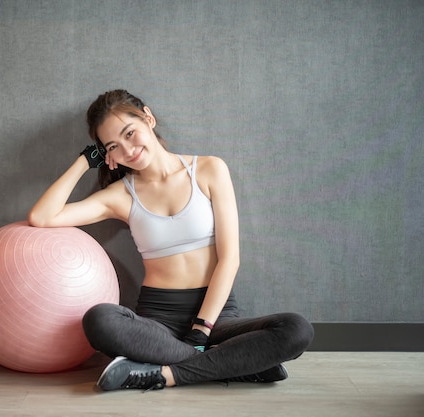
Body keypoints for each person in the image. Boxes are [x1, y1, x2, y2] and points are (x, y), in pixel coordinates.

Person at [28, 89, 314, 391]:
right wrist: (85, 162)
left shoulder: (209, 169)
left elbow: (230, 260)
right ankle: (236, 364)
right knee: (99, 320)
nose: (128, 149)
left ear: (148, 118)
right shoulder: (120, 195)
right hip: (158, 323)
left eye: (130, 133)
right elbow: (42, 217)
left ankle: (167, 374)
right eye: (114, 145)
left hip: (217, 317)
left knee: (297, 329)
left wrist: (202, 329)